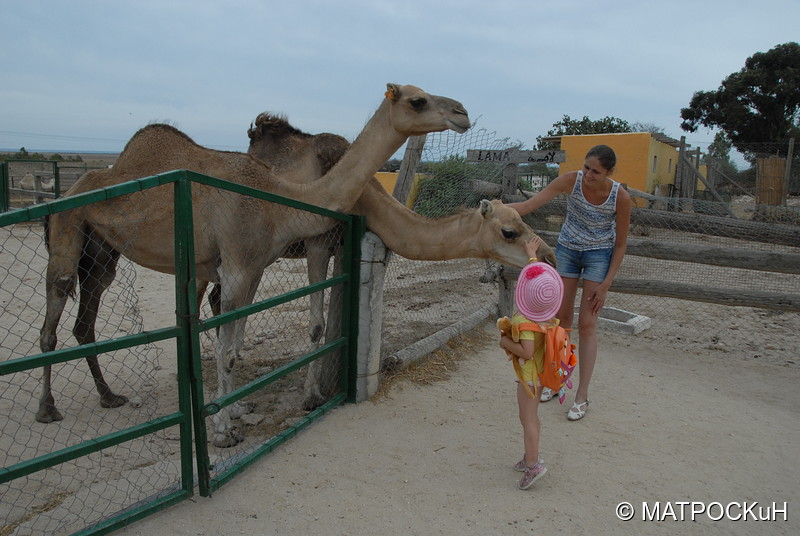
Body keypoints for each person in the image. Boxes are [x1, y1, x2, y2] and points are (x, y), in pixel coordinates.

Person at [507, 144, 631, 421]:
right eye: (586, 167)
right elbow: (528, 206)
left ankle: (582, 395)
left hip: (600, 255)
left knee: (587, 324)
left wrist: (606, 283)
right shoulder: (569, 181)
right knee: (561, 321)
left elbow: (621, 244)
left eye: (596, 171)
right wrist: (496, 209)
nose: (588, 174)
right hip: (568, 251)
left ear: (609, 172)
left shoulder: (619, 197)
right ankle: (556, 380)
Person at [499, 235, 563, 490]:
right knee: (530, 417)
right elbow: (538, 281)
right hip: (537, 375)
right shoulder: (544, 313)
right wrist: (531, 255)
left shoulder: (525, 320)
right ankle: (529, 456)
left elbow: (525, 351)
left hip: (529, 376)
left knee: (528, 419)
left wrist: (504, 342)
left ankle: (534, 465)